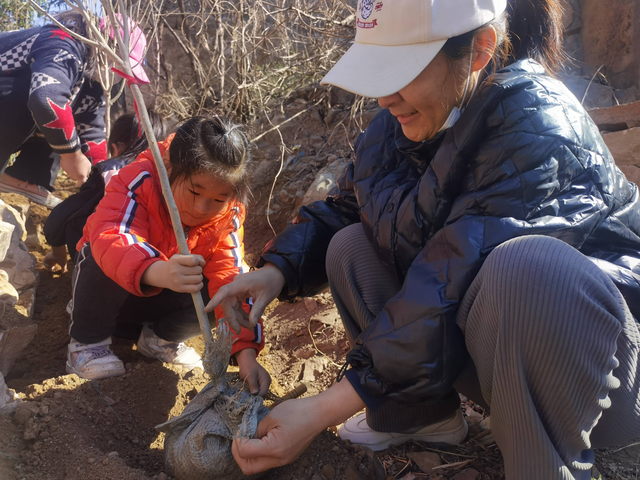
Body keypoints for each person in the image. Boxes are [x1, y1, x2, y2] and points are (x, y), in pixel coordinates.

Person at [207, 0, 640, 478]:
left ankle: (544, 464)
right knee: (351, 244)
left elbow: (448, 278)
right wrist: (275, 271)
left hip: (606, 381)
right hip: (502, 361)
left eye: (400, 71)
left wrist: (322, 408)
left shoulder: (539, 123)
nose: (384, 98)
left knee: (525, 269)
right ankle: (420, 419)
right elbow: (347, 206)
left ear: (478, 50)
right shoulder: (403, 123)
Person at [67, 116, 271, 399]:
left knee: (225, 290)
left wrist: (246, 354)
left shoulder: (231, 212)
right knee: (99, 252)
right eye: (193, 192)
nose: (202, 208)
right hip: (110, 298)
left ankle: (159, 338)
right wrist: (158, 270)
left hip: (159, 306)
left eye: (218, 199)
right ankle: (87, 343)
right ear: (170, 168)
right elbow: (111, 234)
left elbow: (231, 274)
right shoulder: (139, 178)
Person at [0, 11, 149, 208]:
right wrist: (72, 156)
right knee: (50, 109)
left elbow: (91, 129)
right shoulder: (61, 43)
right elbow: (46, 99)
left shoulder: (92, 79)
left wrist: (101, 177)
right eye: (120, 64)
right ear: (103, 44)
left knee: (65, 123)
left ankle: (26, 179)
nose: (119, 76)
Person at [43, 110, 167, 272]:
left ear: (116, 147)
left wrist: (57, 250)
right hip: (156, 259)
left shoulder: (109, 172)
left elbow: (66, 212)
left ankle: (81, 274)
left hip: (109, 255)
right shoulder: (168, 173)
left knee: (78, 214)